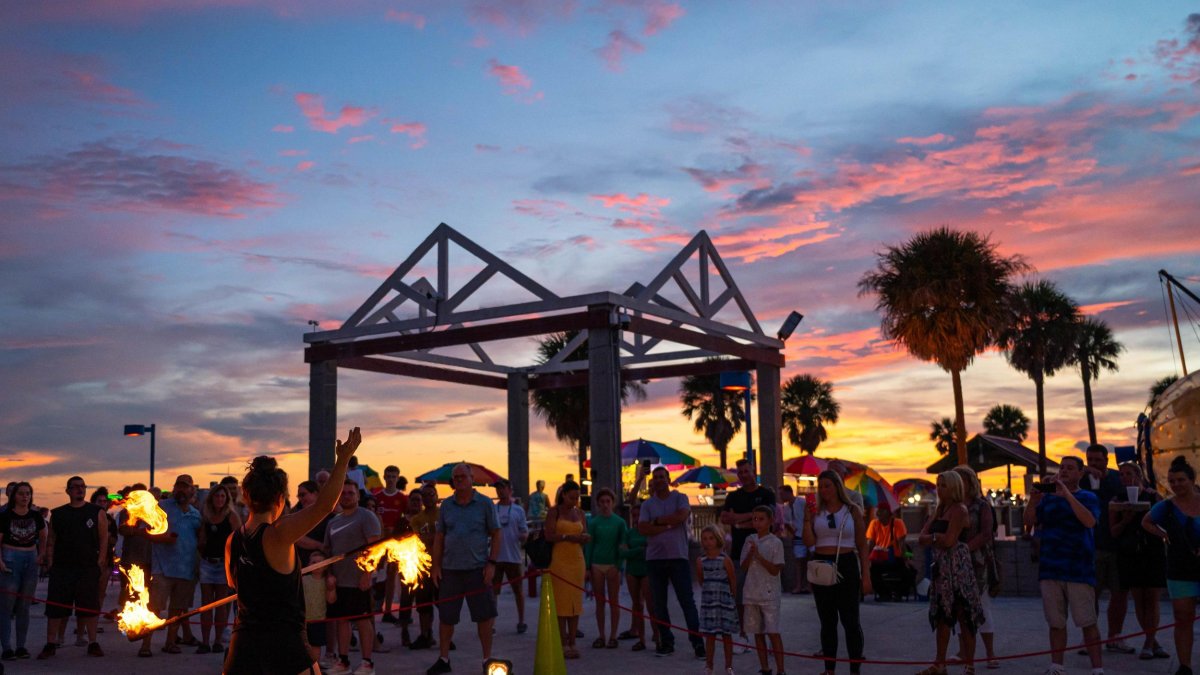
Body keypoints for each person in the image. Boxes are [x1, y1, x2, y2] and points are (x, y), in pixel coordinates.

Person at [223, 428, 359, 674]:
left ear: (246, 495)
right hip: (284, 647)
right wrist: (343, 459)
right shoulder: (278, 533)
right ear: (280, 498)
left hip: (242, 648)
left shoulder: (233, 539)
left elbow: (234, 583)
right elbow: (325, 505)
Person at [1023, 456, 1104, 675]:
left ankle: (1097, 668)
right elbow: (1029, 522)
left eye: (1070, 468)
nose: (1064, 471)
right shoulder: (1047, 499)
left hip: (1079, 569)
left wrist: (1066, 495)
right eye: (1062, 468)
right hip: (1050, 567)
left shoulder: (1088, 497)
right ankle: (1057, 665)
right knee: (1056, 621)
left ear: (1080, 473)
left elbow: (1089, 521)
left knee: (1087, 621)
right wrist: (1033, 499)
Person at [426, 463, 502, 675]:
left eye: (462, 476)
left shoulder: (485, 503)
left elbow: (496, 533)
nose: (458, 480)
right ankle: (444, 658)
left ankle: (487, 659)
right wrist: (435, 566)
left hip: (478, 569)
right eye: (455, 477)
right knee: (446, 617)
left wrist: (492, 564)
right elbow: (440, 537)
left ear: (471, 478)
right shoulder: (447, 505)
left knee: (484, 617)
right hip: (450, 571)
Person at [917, 471, 984, 675]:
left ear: (953, 487)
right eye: (938, 485)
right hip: (941, 566)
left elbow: (949, 541)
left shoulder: (959, 510)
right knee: (942, 615)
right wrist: (937, 537)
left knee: (964, 614)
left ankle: (969, 664)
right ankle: (940, 663)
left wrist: (934, 537)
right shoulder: (939, 510)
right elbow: (921, 538)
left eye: (943, 485)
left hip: (957, 566)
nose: (939, 489)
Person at [802, 470, 869, 675]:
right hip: (822, 562)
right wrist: (806, 520)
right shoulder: (816, 512)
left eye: (827, 485)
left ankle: (854, 669)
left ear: (837, 486)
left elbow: (862, 544)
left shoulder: (852, 510)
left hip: (846, 562)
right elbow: (810, 543)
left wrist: (865, 574)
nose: (823, 490)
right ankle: (829, 669)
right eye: (820, 486)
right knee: (827, 621)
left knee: (850, 621)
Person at [638, 466, 706, 659]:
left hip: (678, 558)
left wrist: (657, 522)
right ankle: (666, 642)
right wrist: (668, 525)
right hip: (655, 559)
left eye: (662, 477)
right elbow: (643, 528)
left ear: (668, 479)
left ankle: (697, 643)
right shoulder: (647, 505)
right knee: (659, 604)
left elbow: (682, 516)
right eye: (656, 477)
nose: (659, 480)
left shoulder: (680, 498)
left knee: (687, 602)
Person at [37, 476, 107, 661]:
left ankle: (93, 642)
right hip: (62, 568)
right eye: (75, 487)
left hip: (87, 568)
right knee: (56, 608)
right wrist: (50, 562)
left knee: (89, 607)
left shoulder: (96, 512)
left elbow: (103, 538)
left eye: (82, 486)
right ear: (68, 491)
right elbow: (51, 540)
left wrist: (100, 562)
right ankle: (51, 643)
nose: (79, 489)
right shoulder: (58, 514)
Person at [1143, 455, 1200, 675]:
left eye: (1180, 480)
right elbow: (1146, 521)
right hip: (1180, 567)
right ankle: (1185, 665)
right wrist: (1164, 535)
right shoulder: (1166, 507)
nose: (1176, 484)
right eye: (1172, 481)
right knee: (1182, 618)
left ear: (1192, 480)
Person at [1110, 461, 1168, 660]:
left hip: (1152, 550)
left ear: (1139, 475)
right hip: (1129, 553)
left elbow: (1165, 520)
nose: (1125, 477)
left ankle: (1149, 642)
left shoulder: (1152, 496)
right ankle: (1152, 641)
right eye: (1121, 474)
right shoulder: (1117, 500)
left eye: (1128, 473)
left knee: (1152, 598)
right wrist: (1125, 518)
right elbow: (1114, 532)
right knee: (1139, 600)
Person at [324, 479, 382, 675]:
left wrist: (367, 574)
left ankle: (367, 663)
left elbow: (375, 548)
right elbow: (328, 552)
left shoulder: (367, 517)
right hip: (338, 580)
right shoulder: (333, 522)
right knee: (342, 620)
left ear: (358, 495)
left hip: (359, 580)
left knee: (363, 620)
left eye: (350, 493)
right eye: (344, 493)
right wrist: (330, 577)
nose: (347, 496)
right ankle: (343, 661)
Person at [720, 458, 776, 651]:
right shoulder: (733, 497)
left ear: (754, 471)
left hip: (764, 553)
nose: (744, 475)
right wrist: (749, 518)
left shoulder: (766, 494)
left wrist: (740, 519)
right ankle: (743, 636)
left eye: (747, 471)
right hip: (739, 554)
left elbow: (767, 518)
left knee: (764, 599)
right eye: (740, 472)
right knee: (740, 597)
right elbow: (725, 517)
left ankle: (768, 637)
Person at [1083, 444, 1131, 654]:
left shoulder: (1116, 479)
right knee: (1090, 596)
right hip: (1091, 547)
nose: (1093, 464)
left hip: (1117, 547)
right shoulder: (1081, 479)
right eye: (1089, 460)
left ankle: (1115, 637)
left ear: (1106, 460)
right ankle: (1091, 640)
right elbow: (1050, 484)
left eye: (1097, 460)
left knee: (1119, 594)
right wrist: (1084, 471)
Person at [117, 482, 172, 658]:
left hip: (152, 562)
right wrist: (139, 531)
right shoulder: (129, 510)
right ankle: (132, 626)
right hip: (132, 561)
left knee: (150, 602)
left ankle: (146, 640)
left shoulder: (156, 513)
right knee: (130, 597)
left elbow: (162, 533)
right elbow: (123, 529)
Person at [150, 475, 202, 655]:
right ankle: (145, 646)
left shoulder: (196, 515)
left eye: (185, 487)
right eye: (178, 486)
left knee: (177, 611)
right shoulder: (162, 507)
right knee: (154, 609)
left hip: (186, 570)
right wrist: (163, 538)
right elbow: (146, 532)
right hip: (161, 569)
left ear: (191, 490)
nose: (181, 490)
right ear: (173, 488)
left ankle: (170, 643)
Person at [953, 465, 997, 668]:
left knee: (982, 607)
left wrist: (965, 549)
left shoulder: (982, 506)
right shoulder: (951, 506)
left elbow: (986, 533)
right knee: (961, 608)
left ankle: (990, 653)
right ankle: (964, 652)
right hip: (955, 562)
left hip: (978, 562)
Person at [0, 482, 46, 660]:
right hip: (11, 557)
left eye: (28, 493)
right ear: (14, 496)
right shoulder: (5, 516)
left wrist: (41, 555)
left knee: (24, 606)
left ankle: (21, 646)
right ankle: (6, 647)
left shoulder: (36, 516)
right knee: (6, 605)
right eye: (21, 494)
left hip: (30, 559)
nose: (25, 497)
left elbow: (43, 536)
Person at [545, 480, 588, 660]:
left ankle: (572, 641)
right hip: (559, 559)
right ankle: (563, 642)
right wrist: (566, 536)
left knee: (575, 601)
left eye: (577, 497)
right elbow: (548, 535)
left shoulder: (580, 513)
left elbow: (584, 532)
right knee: (562, 601)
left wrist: (583, 538)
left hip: (577, 559)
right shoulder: (554, 512)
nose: (575, 501)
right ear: (563, 495)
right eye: (572, 497)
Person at [742, 505, 786, 675]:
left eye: (761, 519)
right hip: (751, 593)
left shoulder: (776, 543)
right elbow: (744, 567)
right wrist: (750, 554)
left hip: (769, 594)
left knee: (773, 632)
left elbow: (775, 570)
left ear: (770, 521)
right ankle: (765, 667)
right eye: (755, 519)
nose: (757, 522)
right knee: (757, 632)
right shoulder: (749, 540)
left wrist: (759, 557)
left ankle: (781, 669)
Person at [197, 484, 241, 654]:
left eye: (223, 496)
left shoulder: (231, 516)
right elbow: (202, 539)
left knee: (221, 605)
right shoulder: (206, 517)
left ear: (227, 499)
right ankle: (205, 641)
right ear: (212, 498)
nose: (220, 499)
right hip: (208, 563)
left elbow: (239, 539)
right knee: (206, 604)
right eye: (217, 496)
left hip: (224, 565)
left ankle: (217, 641)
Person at [587, 487, 627, 649]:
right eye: (602, 502)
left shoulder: (620, 522)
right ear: (598, 503)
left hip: (612, 565)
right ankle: (601, 634)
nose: (605, 505)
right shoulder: (593, 522)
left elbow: (622, 545)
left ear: (613, 503)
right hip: (597, 564)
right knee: (599, 602)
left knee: (614, 601)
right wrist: (588, 567)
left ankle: (613, 635)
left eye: (608, 501)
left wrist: (618, 565)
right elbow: (589, 545)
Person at [697, 523, 737, 675]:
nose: (708, 542)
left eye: (711, 538)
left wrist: (732, 598)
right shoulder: (700, 560)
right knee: (710, 636)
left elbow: (732, 579)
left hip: (724, 601)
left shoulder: (725, 559)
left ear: (718, 539)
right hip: (709, 603)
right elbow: (701, 579)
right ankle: (709, 665)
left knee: (727, 635)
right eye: (705, 539)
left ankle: (729, 666)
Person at [620, 501, 658, 652]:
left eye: (638, 515)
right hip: (632, 570)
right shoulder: (629, 533)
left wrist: (633, 550)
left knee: (650, 604)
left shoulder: (649, 531)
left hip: (647, 569)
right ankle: (641, 638)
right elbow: (622, 553)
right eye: (634, 515)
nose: (636, 518)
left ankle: (657, 635)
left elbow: (651, 549)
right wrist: (639, 550)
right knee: (637, 605)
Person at [492, 479, 529, 634]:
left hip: (513, 556)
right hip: (495, 557)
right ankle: (491, 623)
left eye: (502, 488)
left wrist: (523, 536)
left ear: (509, 489)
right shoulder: (493, 509)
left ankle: (521, 620)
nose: (500, 492)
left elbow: (524, 531)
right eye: (498, 489)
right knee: (493, 592)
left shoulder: (518, 510)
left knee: (518, 591)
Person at [375, 465, 408, 625]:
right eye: (388, 476)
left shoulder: (402, 498)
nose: (390, 479)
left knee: (391, 575)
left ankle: (388, 609)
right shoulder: (377, 496)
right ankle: (373, 607)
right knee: (373, 574)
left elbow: (407, 518)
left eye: (393, 476)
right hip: (377, 542)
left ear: (398, 478)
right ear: (384, 477)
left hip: (395, 543)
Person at [406, 489, 438, 652]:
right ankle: (425, 634)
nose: (428, 498)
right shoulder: (417, 519)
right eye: (425, 496)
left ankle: (446, 636)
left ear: (437, 496)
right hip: (423, 567)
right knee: (423, 605)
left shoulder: (444, 514)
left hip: (443, 566)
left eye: (431, 495)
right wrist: (438, 537)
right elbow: (419, 540)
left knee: (444, 605)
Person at [866, 503, 909, 601]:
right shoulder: (874, 523)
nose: (878, 512)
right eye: (878, 509)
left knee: (908, 572)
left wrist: (906, 559)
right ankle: (885, 594)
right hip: (879, 558)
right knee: (872, 573)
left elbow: (902, 545)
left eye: (882, 510)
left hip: (895, 557)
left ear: (889, 513)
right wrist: (867, 559)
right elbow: (871, 543)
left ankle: (897, 594)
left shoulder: (898, 523)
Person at [303, 551, 338, 665]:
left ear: (326, 565)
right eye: (314, 562)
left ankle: (315, 666)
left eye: (320, 562)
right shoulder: (303, 580)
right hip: (304, 620)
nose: (317, 565)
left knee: (316, 646)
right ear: (308, 565)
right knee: (304, 645)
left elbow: (331, 600)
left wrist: (331, 588)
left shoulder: (327, 581)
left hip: (318, 620)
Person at [787, 488, 810, 594]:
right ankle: (799, 585)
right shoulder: (787, 507)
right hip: (798, 535)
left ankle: (808, 585)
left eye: (782, 494)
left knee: (809, 560)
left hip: (807, 533)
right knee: (799, 561)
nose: (781, 497)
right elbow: (788, 523)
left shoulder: (801, 502)